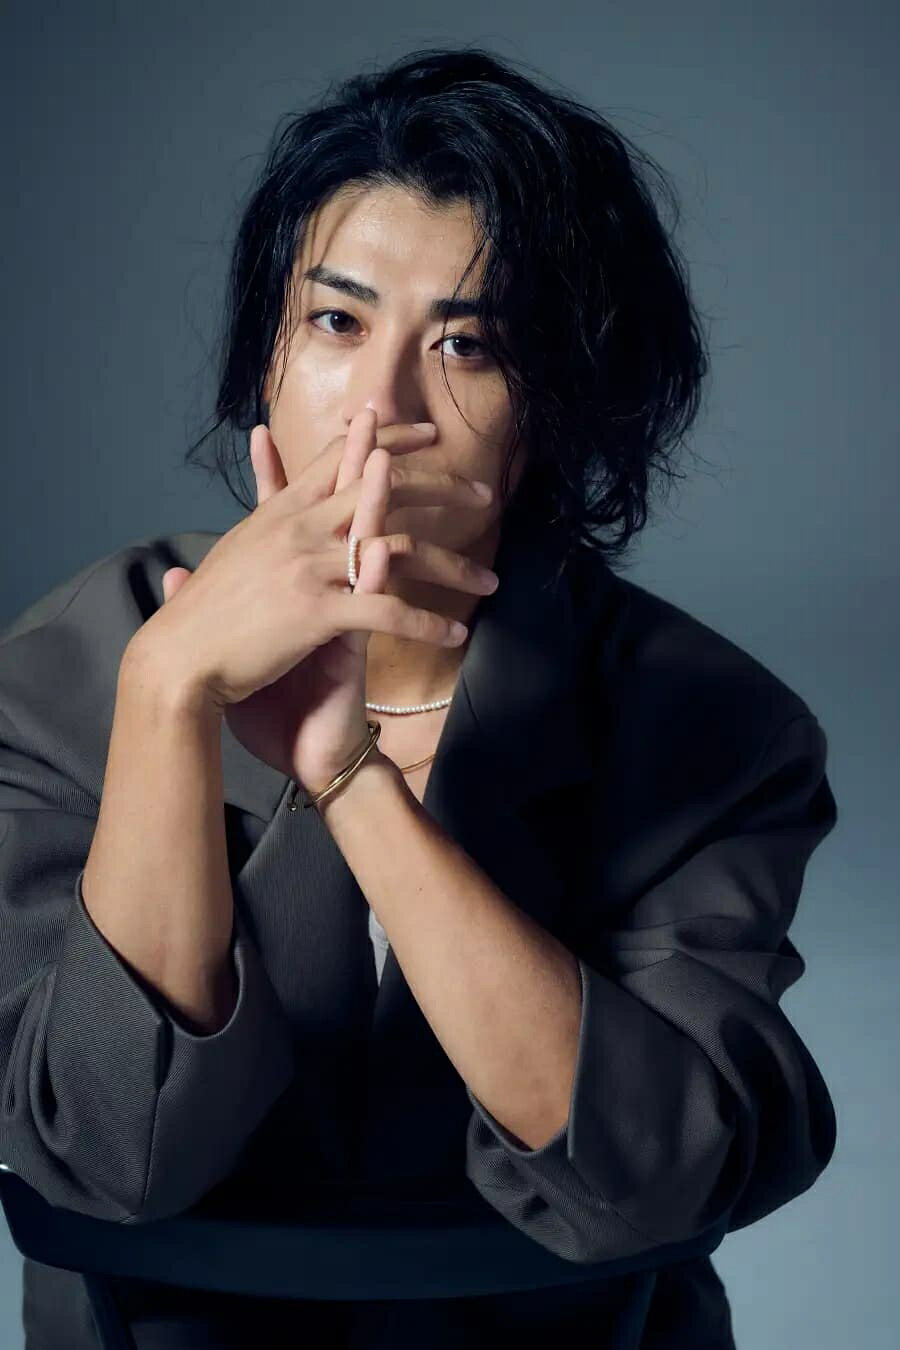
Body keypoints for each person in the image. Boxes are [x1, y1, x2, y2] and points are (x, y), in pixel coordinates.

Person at [0, 45, 838, 1350]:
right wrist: (165, 696)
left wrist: (352, 783)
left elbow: (654, 1169)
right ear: (266, 358)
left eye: (468, 345)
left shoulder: (712, 723)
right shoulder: (69, 671)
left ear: (558, 409)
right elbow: (107, 1152)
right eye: (336, 324)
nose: (379, 411)